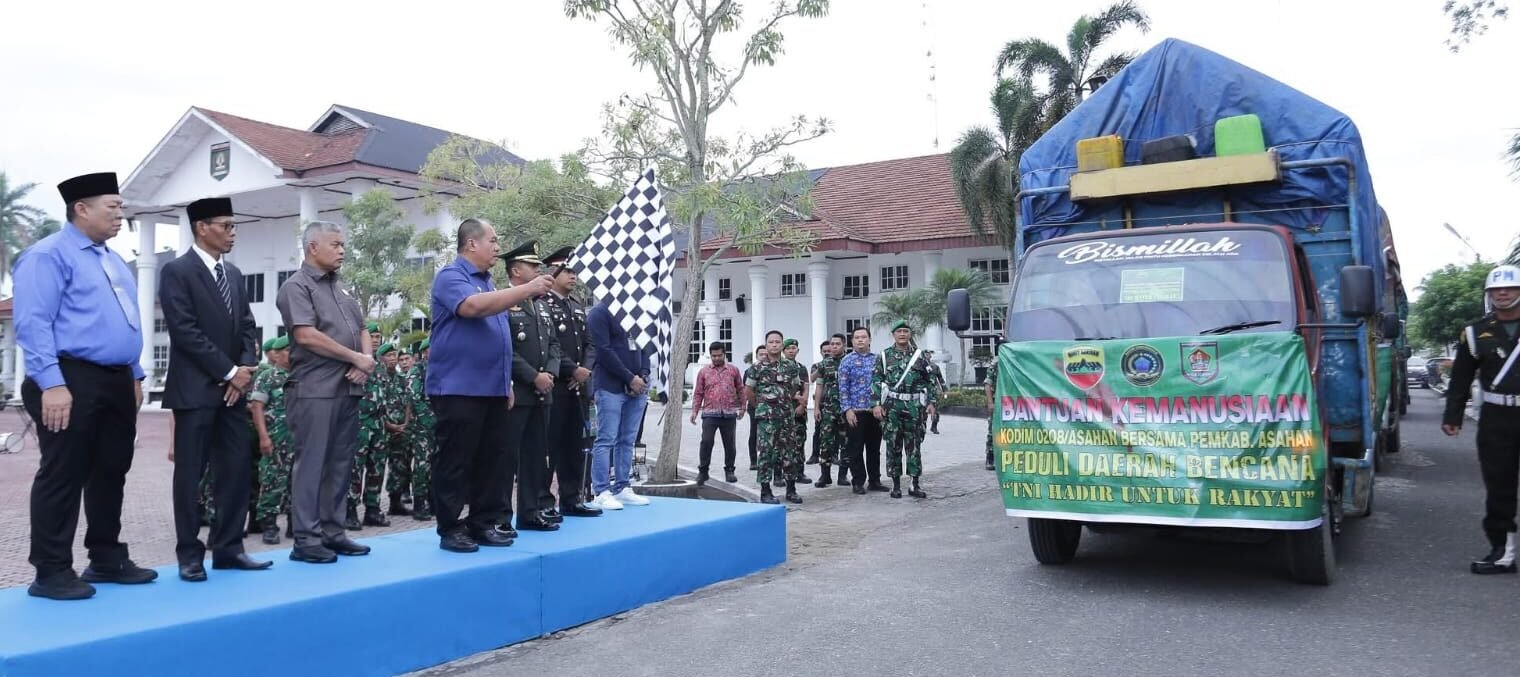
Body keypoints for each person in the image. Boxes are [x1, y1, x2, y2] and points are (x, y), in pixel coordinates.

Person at [14, 172, 156, 600]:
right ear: (81, 209)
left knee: (111, 470)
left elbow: (125, 319)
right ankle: (52, 570)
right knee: (63, 473)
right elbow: (33, 323)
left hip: (115, 379)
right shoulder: (47, 256)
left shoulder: (111, 258)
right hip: (68, 377)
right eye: (111, 206)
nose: (119, 214)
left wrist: (133, 373)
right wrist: (52, 384)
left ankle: (106, 558)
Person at [158, 196, 269, 581]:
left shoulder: (235, 275)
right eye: (226, 225)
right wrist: (228, 372)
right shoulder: (177, 271)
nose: (232, 232)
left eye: (234, 226)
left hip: (233, 394)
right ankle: (190, 555)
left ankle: (229, 548)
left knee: (236, 470)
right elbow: (185, 331)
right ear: (201, 227)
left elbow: (246, 326)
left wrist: (244, 369)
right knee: (191, 475)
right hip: (195, 392)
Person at [426, 218, 552, 553]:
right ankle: (451, 528)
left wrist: (505, 382)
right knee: (456, 461)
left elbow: (500, 338)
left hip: (492, 388)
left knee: (492, 460)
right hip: (458, 387)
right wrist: (527, 288)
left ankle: (483, 523)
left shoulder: (489, 282)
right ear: (471, 244)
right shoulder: (451, 277)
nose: (498, 248)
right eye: (493, 241)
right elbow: (471, 309)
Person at [275, 220, 375, 564]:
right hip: (314, 388)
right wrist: (355, 358)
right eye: (335, 245)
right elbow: (306, 336)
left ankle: (333, 532)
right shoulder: (296, 287)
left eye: (343, 245)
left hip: (348, 387)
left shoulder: (342, 289)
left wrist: (367, 360)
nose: (342, 251)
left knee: (340, 463)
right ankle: (306, 537)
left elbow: (361, 328)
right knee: (313, 464)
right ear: (312, 247)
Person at [1443, 264, 1520, 574]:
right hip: (1496, 418)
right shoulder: (1475, 332)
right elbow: (1460, 378)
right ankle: (1503, 552)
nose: (1502, 293)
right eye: (1496, 290)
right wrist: (1453, 415)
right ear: (1489, 295)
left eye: (1510, 288)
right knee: (1499, 485)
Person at [500, 241, 563, 532]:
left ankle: (529, 512)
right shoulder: (502, 302)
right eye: (532, 266)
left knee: (536, 457)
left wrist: (548, 374)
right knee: (507, 457)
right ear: (516, 270)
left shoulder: (541, 306)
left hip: (542, 393)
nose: (539, 270)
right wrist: (532, 377)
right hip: (518, 393)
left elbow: (553, 345)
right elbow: (505, 349)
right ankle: (501, 517)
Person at [540, 247, 602, 518]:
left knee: (575, 446)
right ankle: (544, 501)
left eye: (574, 271)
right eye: (567, 271)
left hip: (578, 388)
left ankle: (571, 497)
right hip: (557, 386)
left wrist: (585, 370)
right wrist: (573, 370)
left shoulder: (576, 306)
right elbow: (549, 346)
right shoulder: (544, 305)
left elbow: (590, 343)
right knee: (550, 447)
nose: (573, 276)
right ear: (552, 274)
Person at [587, 293, 653, 510]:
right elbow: (603, 351)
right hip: (610, 387)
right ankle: (601, 490)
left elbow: (644, 346)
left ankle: (622, 485)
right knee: (606, 439)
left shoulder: (636, 313)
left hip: (637, 387)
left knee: (628, 440)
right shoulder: (600, 312)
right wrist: (629, 378)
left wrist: (642, 375)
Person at [874, 321, 937, 499]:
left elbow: (929, 380)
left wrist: (931, 402)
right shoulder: (884, 356)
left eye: (905, 331)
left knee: (914, 446)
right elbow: (876, 380)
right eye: (899, 331)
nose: (902, 334)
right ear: (893, 334)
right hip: (893, 406)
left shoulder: (920, 356)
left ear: (910, 334)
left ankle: (914, 484)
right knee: (893, 445)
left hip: (914, 406)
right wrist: (876, 404)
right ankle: (895, 485)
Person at [745, 331, 806, 504]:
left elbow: (795, 387)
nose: (774, 344)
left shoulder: (790, 366)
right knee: (766, 453)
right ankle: (765, 491)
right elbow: (748, 391)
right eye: (771, 342)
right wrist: (761, 405)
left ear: (781, 345)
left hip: (787, 416)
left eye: (777, 342)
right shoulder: (757, 368)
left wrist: (784, 401)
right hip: (767, 419)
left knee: (789, 452)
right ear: (766, 345)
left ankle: (791, 490)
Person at [350, 343, 406, 528]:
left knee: (377, 469)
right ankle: (349, 510)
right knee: (355, 470)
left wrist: (388, 423)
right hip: (359, 424)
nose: (374, 340)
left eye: (376, 337)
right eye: (371, 336)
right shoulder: (354, 361)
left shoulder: (380, 369)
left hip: (379, 425)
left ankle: (372, 510)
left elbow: (385, 398)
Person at [250, 336, 294, 544]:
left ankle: (296, 524)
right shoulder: (268, 377)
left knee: (299, 484)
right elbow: (256, 407)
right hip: (276, 440)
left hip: (300, 441)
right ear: (277, 353)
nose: (292, 354)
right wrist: (264, 437)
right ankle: (269, 525)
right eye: (288, 350)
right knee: (272, 482)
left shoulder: (301, 376)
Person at [839, 327, 888, 495]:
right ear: (852, 341)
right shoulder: (847, 361)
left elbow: (883, 385)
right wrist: (847, 410)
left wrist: (882, 406)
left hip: (874, 411)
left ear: (869, 339)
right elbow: (843, 388)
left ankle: (875, 480)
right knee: (856, 448)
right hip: (855, 412)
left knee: (874, 448)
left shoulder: (878, 360)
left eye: (864, 337)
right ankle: (858, 481)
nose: (860, 340)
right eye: (857, 337)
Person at [690, 341, 745, 485]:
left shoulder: (733, 370)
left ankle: (730, 470)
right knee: (706, 441)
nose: (716, 358)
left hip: (729, 413)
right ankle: (703, 471)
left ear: (724, 354)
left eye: (719, 355)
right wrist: (695, 410)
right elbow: (698, 392)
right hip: (709, 413)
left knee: (730, 444)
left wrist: (742, 407)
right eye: (713, 356)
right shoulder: (704, 372)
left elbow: (740, 388)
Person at [404, 340, 436, 521]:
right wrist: (428, 419)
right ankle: (419, 503)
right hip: (423, 426)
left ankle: (433, 501)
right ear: (424, 352)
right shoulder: (417, 370)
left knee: (436, 464)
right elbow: (414, 397)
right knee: (422, 465)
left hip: (440, 424)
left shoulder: (441, 368)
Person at [811, 335, 847, 488]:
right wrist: (817, 407)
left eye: (837, 344)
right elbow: (819, 386)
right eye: (832, 344)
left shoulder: (850, 361)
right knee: (825, 442)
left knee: (846, 442)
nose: (834, 347)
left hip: (846, 409)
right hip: (828, 408)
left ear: (844, 345)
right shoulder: (824, 364)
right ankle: (825, 475)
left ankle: (843, 476)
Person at [387, 349, 418, 517]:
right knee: (376, 468)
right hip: (385, 428)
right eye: (401, 359)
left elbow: (408, 403)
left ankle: (396, 501)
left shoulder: (403, 381)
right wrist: (389, 424)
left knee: (400, 466)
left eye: (407, 359)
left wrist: (405, 424)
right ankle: (370, 506)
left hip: (403, 429)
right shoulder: (382, 378)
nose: (403, 362)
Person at [780, 338, 811, 485]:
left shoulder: (801, 368)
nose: (791, 350)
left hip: (799, 411)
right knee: (781, 443)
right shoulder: (779, 366)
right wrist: (794, 396)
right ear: (783, 351)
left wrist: (802, 404)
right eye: (788, 348)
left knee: (799, 442)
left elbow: (806, 386)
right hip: (783, 410)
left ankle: (799, 472)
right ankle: (779, 474)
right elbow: (780, 388)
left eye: (794, 348)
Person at [744, 345, 765, 471]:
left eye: (765, 354)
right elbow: (745, 390)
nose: (763, 356)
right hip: (754, 407)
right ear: (756, 356)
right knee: (754, 433)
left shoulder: (773, 369)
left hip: (770, 407)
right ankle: (753, 460)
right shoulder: (750, 371)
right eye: (760, 354)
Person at [926, 351, 946, 434]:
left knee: (936, 410)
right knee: (922, 411)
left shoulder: (935, 367)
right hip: (922, 392)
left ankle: (934, 427)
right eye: (926, 354)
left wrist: (944, 390)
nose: (927, 356)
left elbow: (940, 379)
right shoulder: (918, 366)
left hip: (933, 391)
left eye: (929, 355)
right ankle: (922, 426)